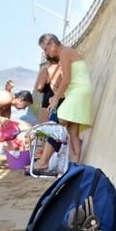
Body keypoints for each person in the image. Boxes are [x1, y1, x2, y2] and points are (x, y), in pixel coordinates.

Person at [38, 33, 93, 164]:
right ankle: (75, 164)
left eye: (45, 48)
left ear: (52, 44)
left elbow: (67, 79)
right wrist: (57, 96)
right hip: (76, 91)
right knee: (73, 132)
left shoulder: (65, 52)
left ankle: (46, 159)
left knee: (60, 119)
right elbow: (70, 80)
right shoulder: (65, 53)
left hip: (79, 91)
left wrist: (56, 98)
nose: (45, 53)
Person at [34, 57, 63, 123]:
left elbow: (39, 87)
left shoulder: (47, 70)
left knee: (44, 129)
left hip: (48, 102)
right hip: (61, 102)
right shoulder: (63, 70)